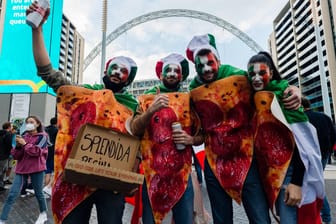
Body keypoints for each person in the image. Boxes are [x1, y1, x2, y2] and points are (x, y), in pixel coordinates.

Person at [26, 3, 138, 224]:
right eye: (113, 68)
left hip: (112, 183)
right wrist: (36, 30)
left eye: (123, 71)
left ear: (128, 79)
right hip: (76, 178)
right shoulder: (83, 94)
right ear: (106, 70)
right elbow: (47, 72)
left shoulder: (134, 106)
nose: (116, 73)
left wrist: (132, 177)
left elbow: (138, 143)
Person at [186, 34, 302, 224]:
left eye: (210, 63)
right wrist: (191, 139)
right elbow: (194, 124)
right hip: (215, 163)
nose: (206, 69)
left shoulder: (240, 76)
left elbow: (268, 84)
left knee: (259, 218)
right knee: (222, 219)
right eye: (201, 65)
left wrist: (295, 90)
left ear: (219, 60)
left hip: (246, 159)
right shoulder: (194, 88)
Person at [248, 51, 325, 224]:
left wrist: (296, 182)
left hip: (289, 173)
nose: (256, 78)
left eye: (262, 73)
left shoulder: (286, 97)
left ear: (272, 73)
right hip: (267, 173)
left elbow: (303, 143)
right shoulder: (252, 99)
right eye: (251, 74)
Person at [129, 53, 204, 223]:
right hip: (153, 175)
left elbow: (203, 135)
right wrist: (150, 110)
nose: (171, 74)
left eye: (176, 71)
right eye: (167, 70)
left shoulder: (189, 100)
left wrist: (190, 139)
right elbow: (134, 130)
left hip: (182, 176)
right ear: (160, 75)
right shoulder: (146, 99)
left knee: (184, 219)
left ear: (181, 75)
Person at [0, 115, 49, 224]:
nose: (29, 124)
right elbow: (17, 156)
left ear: (37, 124)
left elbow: (36, 152)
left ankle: (43, 213)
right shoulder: (23, 136)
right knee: (12, 194)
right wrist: (17, 146)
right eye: (27, 122)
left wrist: (25, 144)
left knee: (38, 193)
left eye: (31, 122)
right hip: (21, 169)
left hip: (37, 168)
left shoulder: (43, 137)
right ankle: (2, 219)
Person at [301, 96, 336, 224]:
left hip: (310, 155)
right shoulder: (325, 117)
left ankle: (325, 217)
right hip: (324, 154)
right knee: (316, 181)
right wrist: (329, 151)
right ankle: (325, 217)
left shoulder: (302, 118)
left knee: (313, 183)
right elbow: (333, 135)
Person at [43, 117, 58, 197]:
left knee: (47, 171)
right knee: (54, 172)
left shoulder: (45, 129)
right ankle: (49, 188)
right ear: (57, 122)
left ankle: (46, 190)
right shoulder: (56, 130)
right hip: (54, 153)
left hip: (46, 152)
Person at [0, 122, 14, 192]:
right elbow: (9, 145)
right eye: (11, 126)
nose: (12, 127)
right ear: (8, 127)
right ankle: (1, 186)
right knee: (2, 170)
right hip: (4, 155)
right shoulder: (8, 134)